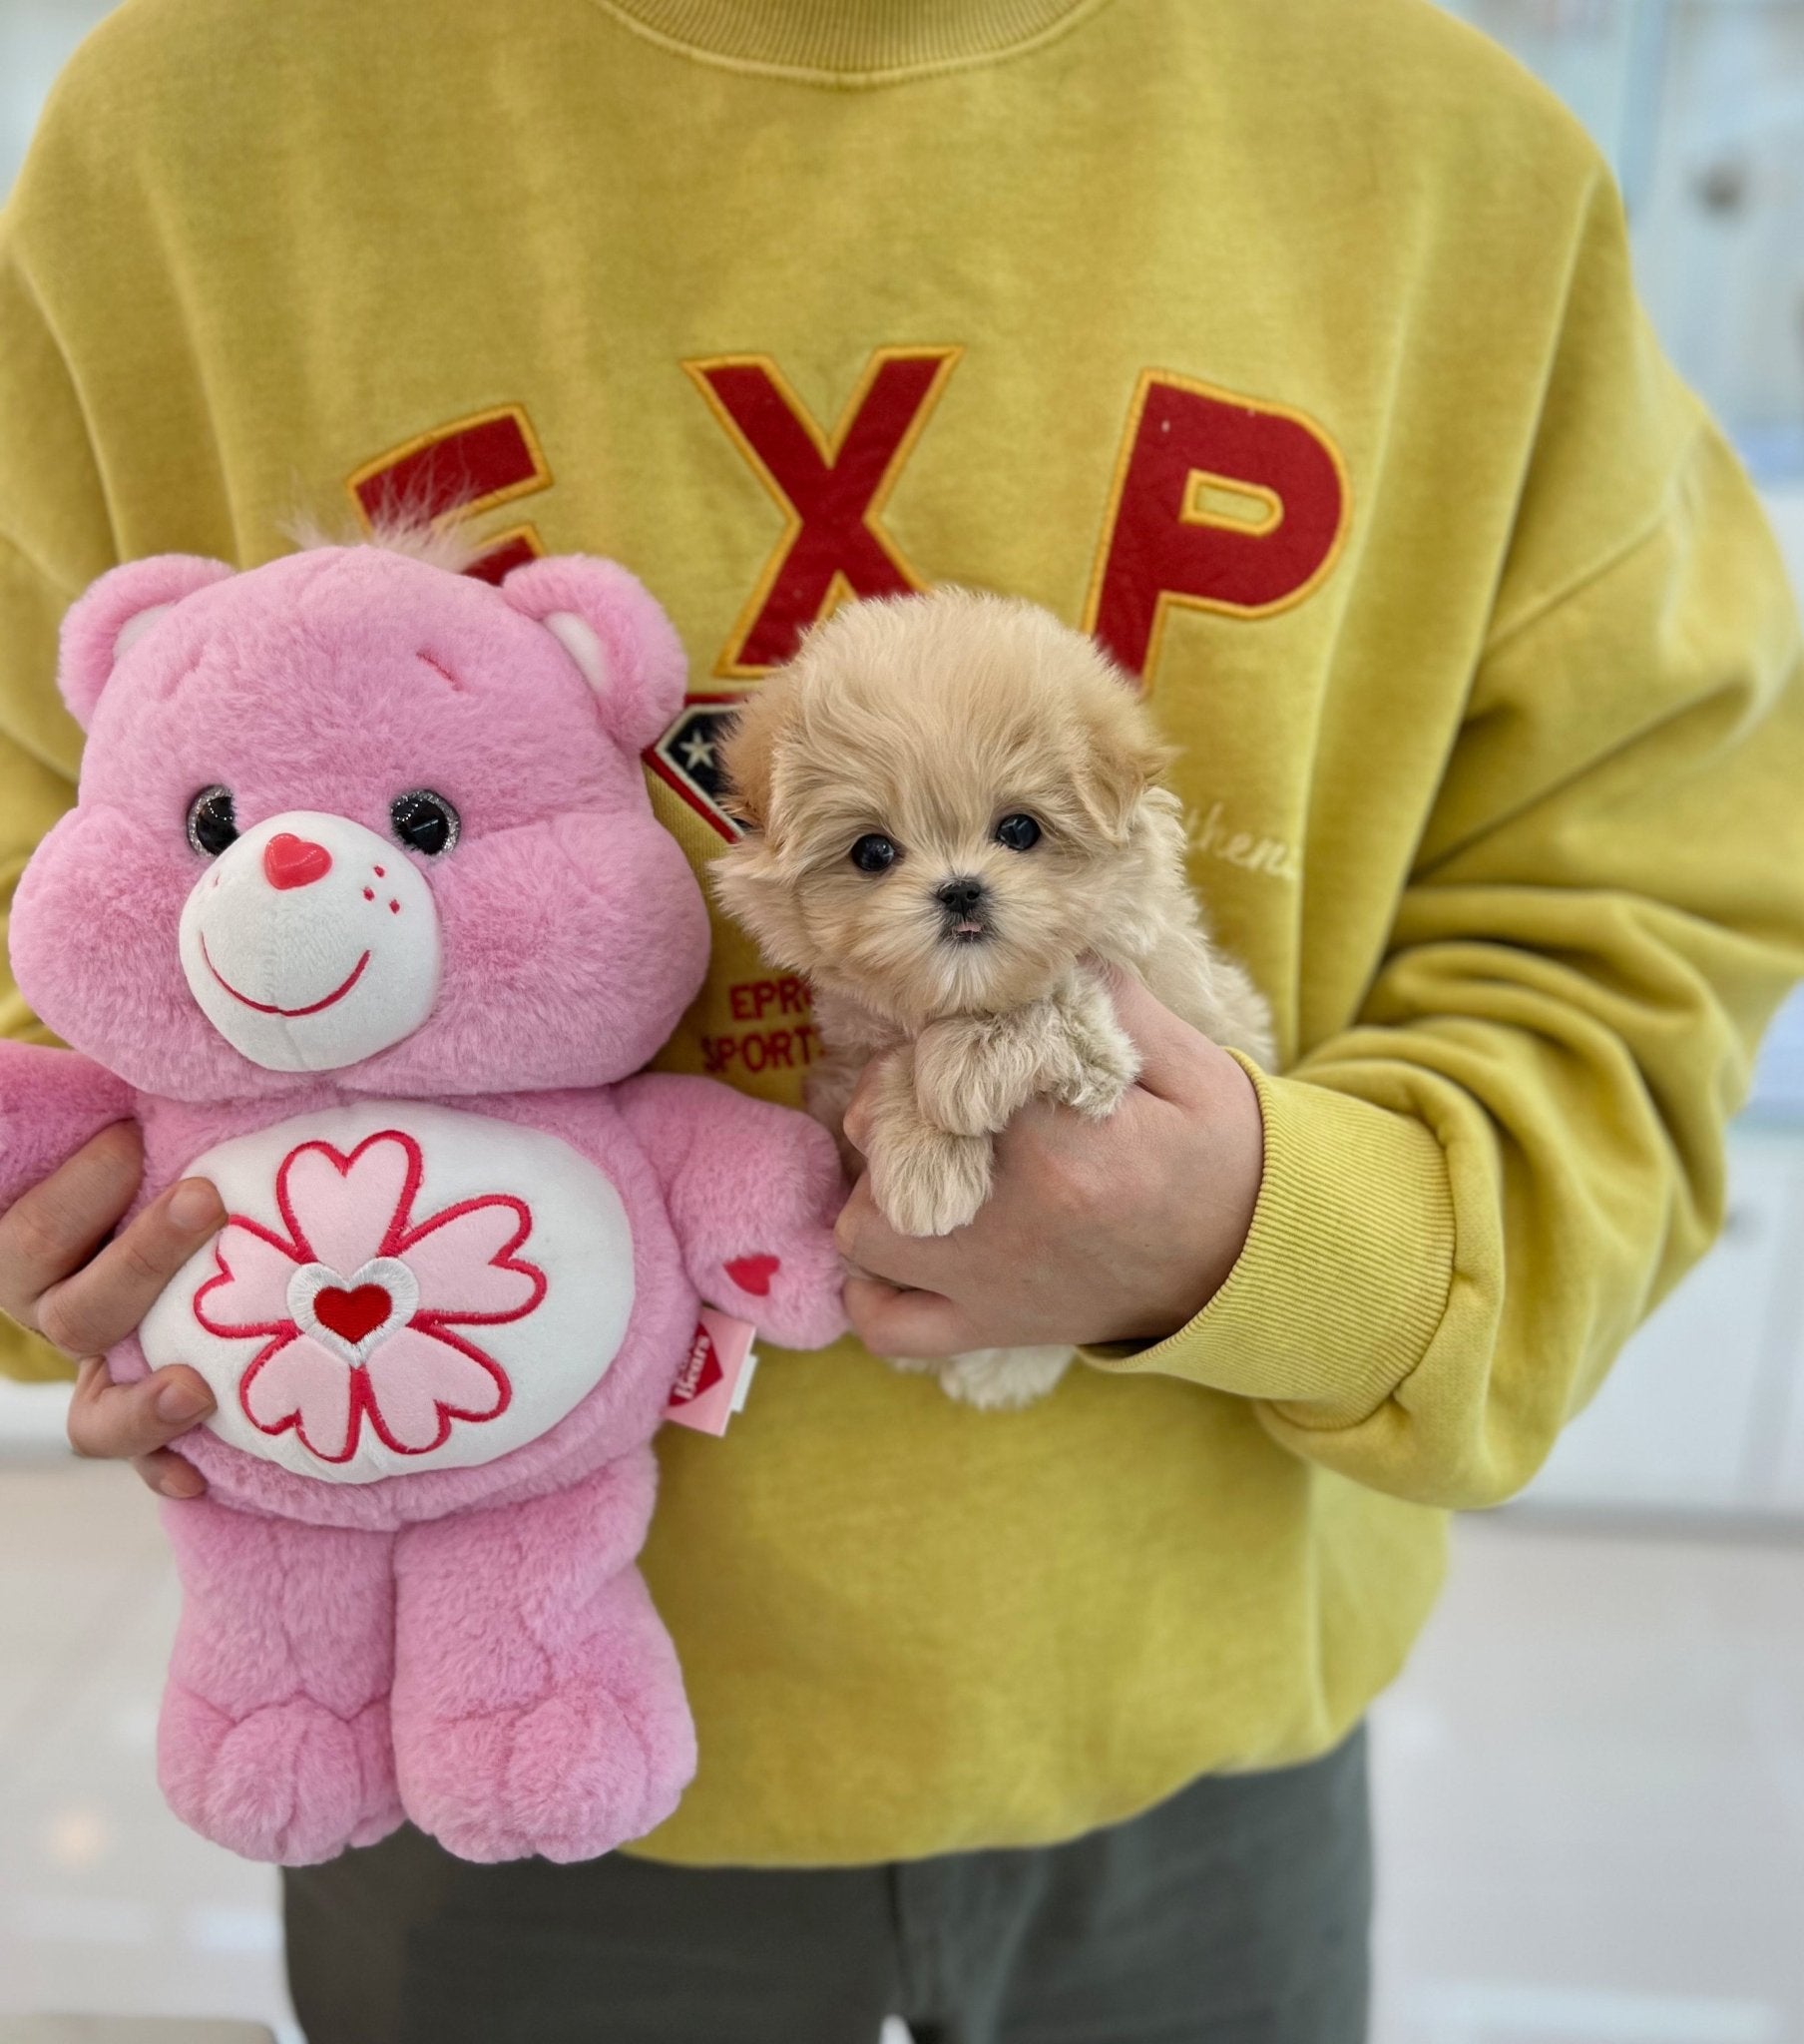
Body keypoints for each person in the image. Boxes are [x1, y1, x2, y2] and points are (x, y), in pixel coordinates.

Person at [2, 1, 1800, 2038]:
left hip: (1194, 1697)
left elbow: (1642, 881)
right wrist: (89, 1205)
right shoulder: (192, 128)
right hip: (473, 1722)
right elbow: (34, 842)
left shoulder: (1439, 143)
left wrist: (1276, 1235)